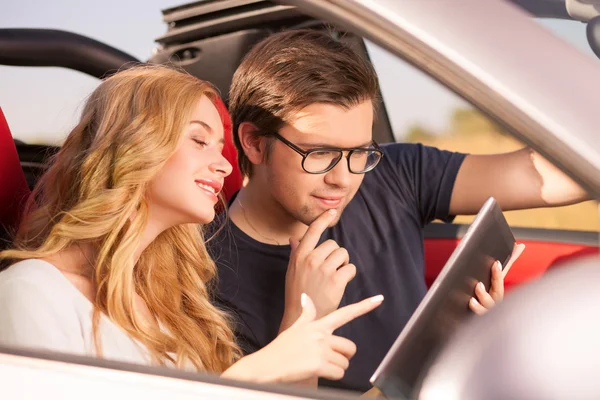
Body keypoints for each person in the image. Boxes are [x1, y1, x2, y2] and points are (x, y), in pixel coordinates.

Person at [209, 29, 588, 392]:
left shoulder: (393, 172)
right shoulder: (205, 275)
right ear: (254, 143)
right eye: (320, 153)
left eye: (359, 152)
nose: (343, 179)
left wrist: (472, 339)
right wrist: (304, 321)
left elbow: (543, 174)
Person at [0, 65, 383, 384]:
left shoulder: (175, 299)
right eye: (199, 140)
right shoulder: (32, 292)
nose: (225, 166)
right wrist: (253, 374)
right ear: (135, 144)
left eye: (220, 146)